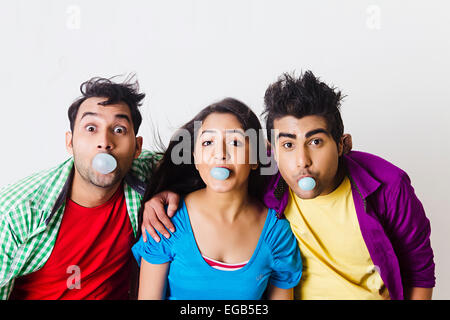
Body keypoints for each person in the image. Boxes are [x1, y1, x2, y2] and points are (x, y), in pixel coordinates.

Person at [142, 71, 436, 300]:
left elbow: (420, 272)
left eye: (316, 142)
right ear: (272, 149)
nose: (301, 161)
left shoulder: (387, 187)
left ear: (343, 144)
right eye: (288, 144)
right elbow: (219, 166)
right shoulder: (271, 175)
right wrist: (162, 196)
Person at [0, 76, 178, 300]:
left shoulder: (146, 174)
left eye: (119, 129)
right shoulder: (17, 212)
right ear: (70, 142)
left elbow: (204, 157)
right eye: (91, 128)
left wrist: (168, 190)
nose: (104, 141)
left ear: (137, 147)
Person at [132, 98, 302, 300]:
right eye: (208, 142)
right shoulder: (166, 222)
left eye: (235, 142)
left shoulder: (277, 233)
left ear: (256, 159)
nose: (220, 154)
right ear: (195, 158)